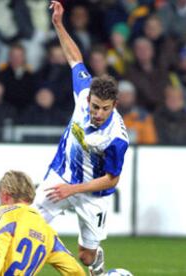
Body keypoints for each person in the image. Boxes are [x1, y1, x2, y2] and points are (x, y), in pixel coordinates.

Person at [32, 2, 129, 276]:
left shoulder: (117, 138)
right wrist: (59, 25)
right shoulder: (84, 92)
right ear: (90, 98)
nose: (98, 113)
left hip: (92, 193)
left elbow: (112, 179)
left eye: (105, 108)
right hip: (60, 177)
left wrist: (73, 191)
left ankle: (95, 263)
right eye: (95, 106)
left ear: (115, 105)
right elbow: (75, 59)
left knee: (85, 256)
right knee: (29, 228)